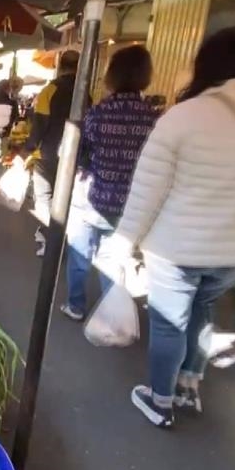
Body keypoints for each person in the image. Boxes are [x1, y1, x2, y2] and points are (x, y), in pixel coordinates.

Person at [105, 27, 235, 428]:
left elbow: (148, 191)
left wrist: (122, 243)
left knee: (169, 322)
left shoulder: (184, 116)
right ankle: (188, 387)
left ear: (206, 63)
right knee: (204, 308)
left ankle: (160, 400)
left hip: (178, 249)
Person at [60, 46, 159, 321]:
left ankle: (76, 306)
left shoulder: (97, 114)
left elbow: (75, 155)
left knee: (80, 256)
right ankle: (109, 313)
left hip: (92, 198)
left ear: (111, 76)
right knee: (114, 260)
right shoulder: (153, 118)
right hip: (131, 204)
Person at [25, 50, 85, 257]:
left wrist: (29, 147)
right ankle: (62, 236)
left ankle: (51, 239)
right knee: (67, 197)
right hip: (76, 154)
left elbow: (40, 123)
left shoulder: (50, 89)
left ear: (60, 66)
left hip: (49, 153)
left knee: (44, 197)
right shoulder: (85, 92)